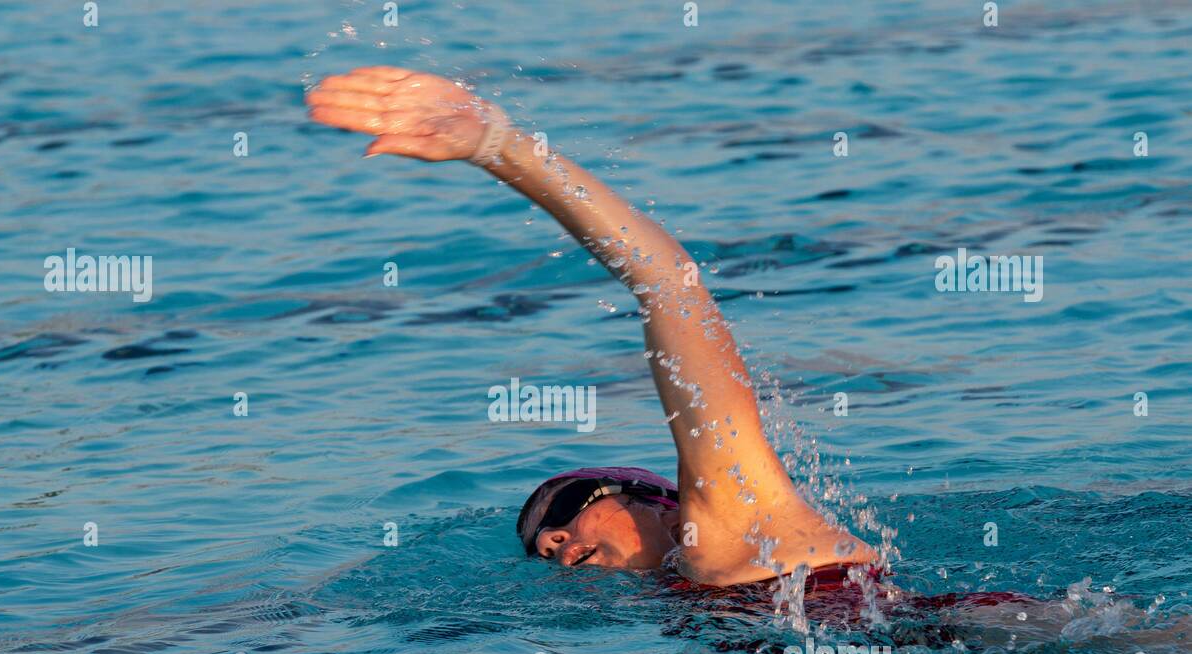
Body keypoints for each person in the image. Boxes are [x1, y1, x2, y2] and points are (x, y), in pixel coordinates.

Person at [307, 66, 876, 589]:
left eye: (566, 511)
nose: (550, 542)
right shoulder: (687, 593)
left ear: (660, 503)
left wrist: (498, 147)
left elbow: (669, 284)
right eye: (540, 548)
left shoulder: (743, 521)